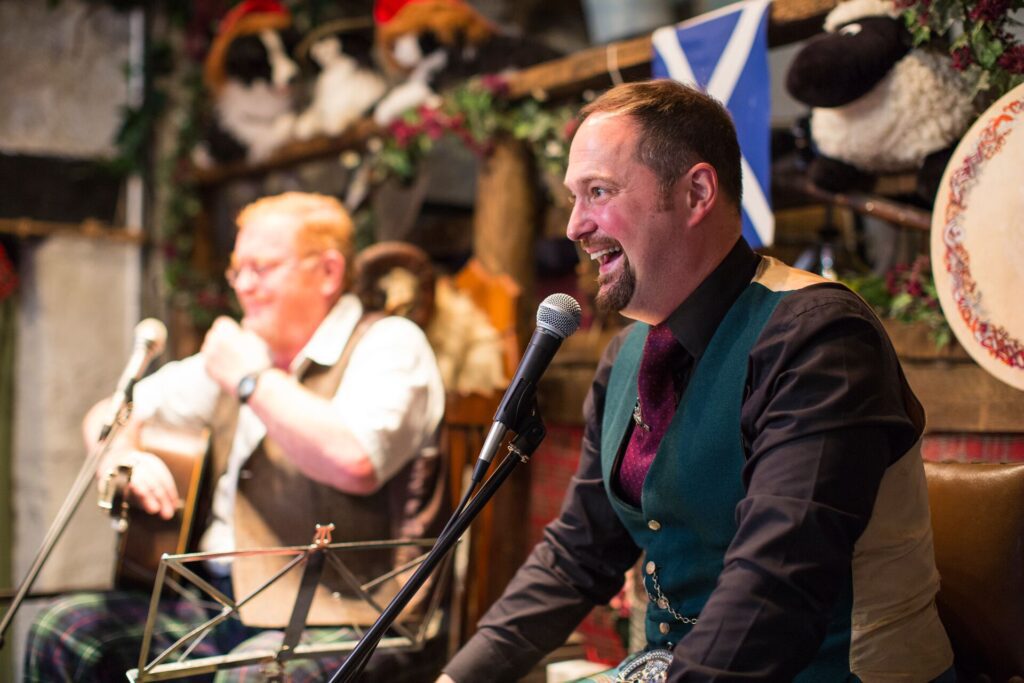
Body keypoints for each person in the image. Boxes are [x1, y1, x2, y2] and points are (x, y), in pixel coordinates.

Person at [440, 80, 955, 682]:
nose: (576, 226)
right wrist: (458, 678)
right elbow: (576, 556)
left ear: (697, 192)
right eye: (573, 198)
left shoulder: (821, 339)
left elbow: (777, 586)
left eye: (599, 192)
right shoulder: (625, 357)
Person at [24, 192, 448, 682]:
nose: (244, 286)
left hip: (343, 613)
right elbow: (111, 413)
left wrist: (252, 380)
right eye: (236, 271)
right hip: (214, 601)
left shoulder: (389, 343)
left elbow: (355, 461)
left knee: (248, 679)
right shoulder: (243, 353)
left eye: (262, 268)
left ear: (329, 272)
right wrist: (125, 457)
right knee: (65, 629)